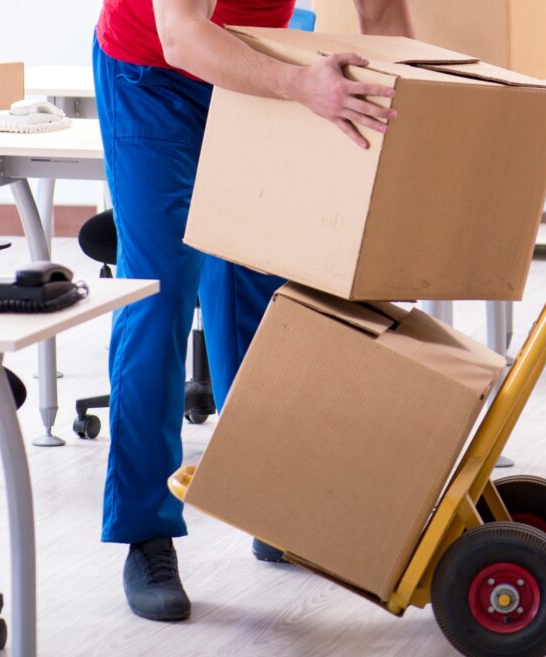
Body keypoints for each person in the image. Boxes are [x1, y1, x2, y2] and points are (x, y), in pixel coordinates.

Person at [93, 0, 412, 622]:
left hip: (251, 57)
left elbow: (383, 17)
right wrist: (300, 85)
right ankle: (145, 533)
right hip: (153, 71)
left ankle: (265, 500)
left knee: (257, 287)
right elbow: (183, 37)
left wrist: (401, 118)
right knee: (159, 294)